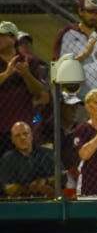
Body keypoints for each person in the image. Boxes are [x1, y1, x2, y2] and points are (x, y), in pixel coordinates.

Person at [53, 0, 97, 101]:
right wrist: (85, 54)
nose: (94, 16)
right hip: (74, 97)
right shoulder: (67, 33)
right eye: (90, 12)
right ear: (81, 12)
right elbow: (57, 67)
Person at [0, 21, 47, 155]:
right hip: (1, 126)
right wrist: (6, 74)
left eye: (2, 36)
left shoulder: (29, 61)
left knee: (26, 166)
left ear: (13, 38)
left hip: (24, 124)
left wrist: (26, 75)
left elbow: (39, 91)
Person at [0, 121, 55, 197]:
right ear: (12, 140)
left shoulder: (47, 153)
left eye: (25, 134)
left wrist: (46, 181)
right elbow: (8, 187)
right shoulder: (7, 159)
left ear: (32, 136)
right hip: (20, 201)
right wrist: (29, 187)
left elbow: (63, 176)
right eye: (17, 135)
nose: (22, 138)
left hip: (49, 198)